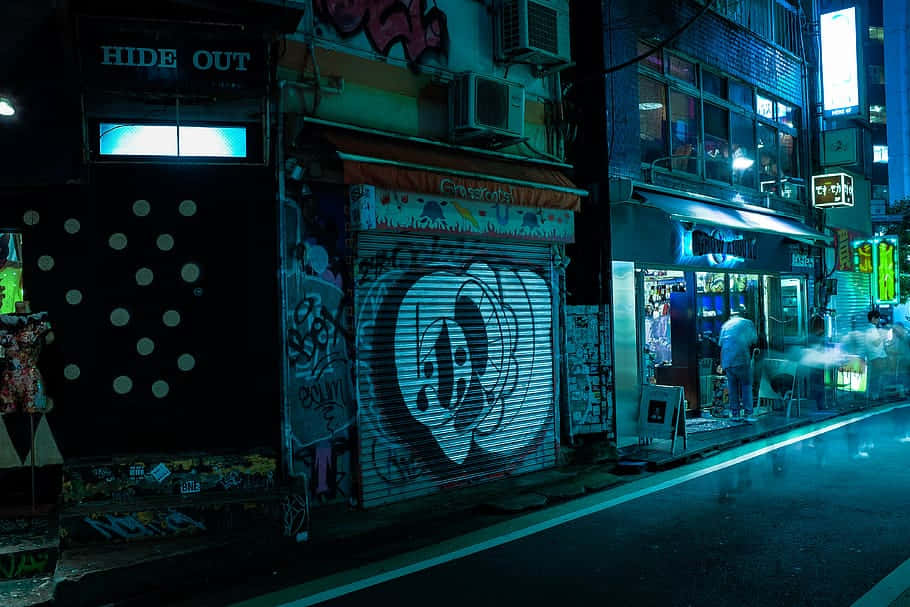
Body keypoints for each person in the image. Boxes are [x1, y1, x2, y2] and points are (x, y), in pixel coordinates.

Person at [718, 310, 758, 421]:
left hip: (727, 361)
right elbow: (754, 340)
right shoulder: (747, 323)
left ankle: (735, 414)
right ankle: (748, 414)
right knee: (746, 386)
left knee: (732, 388)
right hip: (741, 359)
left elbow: (721, 345)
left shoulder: (725, 325)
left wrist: (722, 364)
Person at [864, 310, 888, 401]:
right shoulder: (871, 330)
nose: (879, 320)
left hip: (876, 356)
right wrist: (883, 335)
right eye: (877, 318)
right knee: (876, 376)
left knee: (876, 376)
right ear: (873, 318)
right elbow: (876, 342)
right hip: (876, 357)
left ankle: (874, 394)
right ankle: (875, 395)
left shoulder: (871, 328)